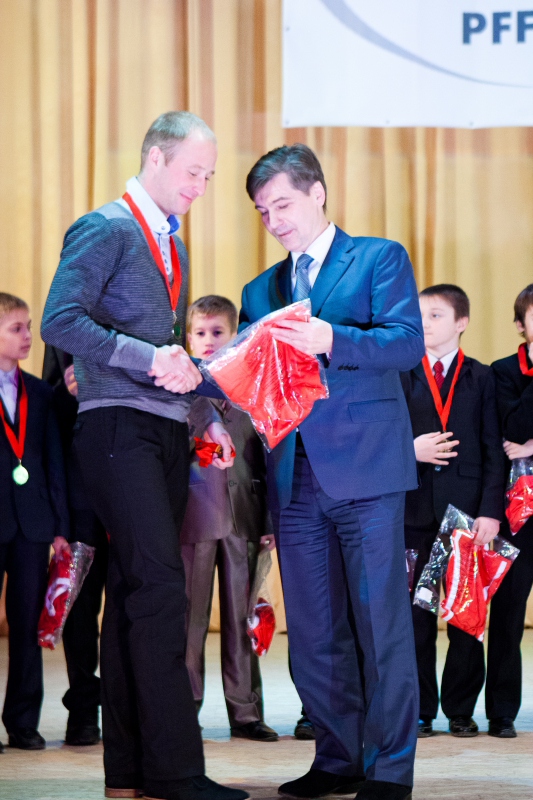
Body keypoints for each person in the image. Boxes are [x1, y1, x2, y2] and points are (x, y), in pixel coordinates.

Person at [41, 112, 247, 800]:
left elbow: (167, 352)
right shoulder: (106, 227)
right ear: (155, 158)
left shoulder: (169, 242)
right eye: (193, 170)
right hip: (115, 429)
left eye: (209, 175)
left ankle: (128, 772)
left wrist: (203, 416)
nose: (201, 185)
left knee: (138, 593)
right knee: (160, 589)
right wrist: (149, 357)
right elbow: (60, 320)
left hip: (161, 430)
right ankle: (174, 770)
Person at [240, 144, 425, 800]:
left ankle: (390, 769)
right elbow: (250, 379)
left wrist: (333, 339)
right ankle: (338, 757)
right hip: (295, 480)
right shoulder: (259, 290)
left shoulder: (378, 258)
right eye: (263, 212)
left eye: (282, 205)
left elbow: (407, 343)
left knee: (381, 628)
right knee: (315, 633)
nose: (274, 221)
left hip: (367, 476)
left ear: (317, 192)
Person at [400, 284, 505, 739]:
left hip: (465, 517)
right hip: (413, 513)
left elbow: (493, 450)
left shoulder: (481, 377)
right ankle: (420, 709)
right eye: (420, 314)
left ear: (462, 322)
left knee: (465, 616)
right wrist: (410, 450)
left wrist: (490, 511)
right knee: (416, 616)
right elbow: (384, 437)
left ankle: (460, 709)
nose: (424, 322)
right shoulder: (401, 372)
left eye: (436, 314)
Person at [181, 295, 278, 742]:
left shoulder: (254, 385)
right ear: (187, 338)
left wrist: (270, 521)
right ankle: (185, 708)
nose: (208, 340)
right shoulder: (177, 384)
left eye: (217, 332)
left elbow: (269, 457)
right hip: (192, 517)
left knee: (242, 617)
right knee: (190, 619)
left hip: (245, 518)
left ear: (235, 335)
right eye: (199, 333)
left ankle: (246, 712)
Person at [0, 293, 70, 753]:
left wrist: (60, 526)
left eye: (28, 327)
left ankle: (23, 721)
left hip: (32, 525)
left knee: (28, 624)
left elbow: (53, 462)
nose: (28, 336)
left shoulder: (40, 394)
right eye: (17, 328)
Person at [42, 345, 108, 746]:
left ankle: (122, 708)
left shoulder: (139, 322)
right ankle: (83, 710)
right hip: (81, 506)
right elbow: (51, 421)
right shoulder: (67, 332)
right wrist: (67, 394)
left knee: (128, 613)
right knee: (81, 615)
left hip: (129, 503)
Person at [486, 283, 533, 738]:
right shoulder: (502, 372)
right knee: (507, 613)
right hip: (519, 514)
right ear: (521, 325)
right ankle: (501, 711)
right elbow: (512, 430)